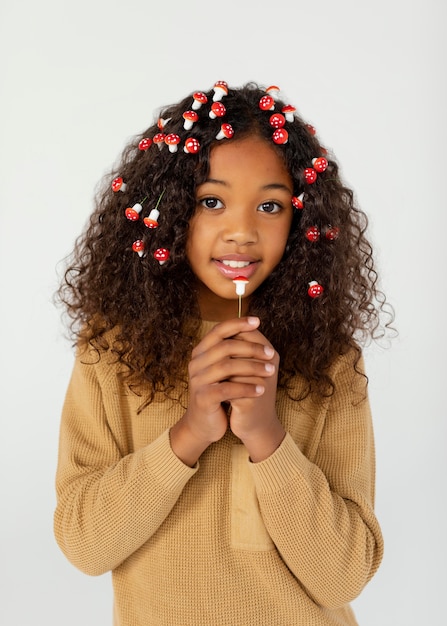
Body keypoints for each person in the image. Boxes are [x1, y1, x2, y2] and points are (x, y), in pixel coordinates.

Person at [54, 81, 392, 626]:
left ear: (301, 223)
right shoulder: (111, 352)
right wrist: (190, 433)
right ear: (167, 213)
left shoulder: (330, 361)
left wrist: (266, 435)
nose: (241, 231)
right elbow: (84, 546)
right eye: (211, 201)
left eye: (270, 205)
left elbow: (343, 576)